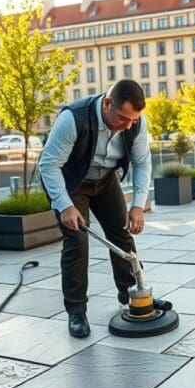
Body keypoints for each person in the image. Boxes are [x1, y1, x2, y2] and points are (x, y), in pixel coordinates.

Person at [39, 79, 163, 338]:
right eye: (123, 118)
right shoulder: (73, 119)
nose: (129, 125)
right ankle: (76, 312)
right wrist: (65, 206)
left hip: (105, 179)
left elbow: (142, 163)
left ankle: (132, 295)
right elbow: (48, 165)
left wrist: (138, 206)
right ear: (107, 103)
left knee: (122, 233)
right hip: (72, 182)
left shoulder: (135, 122)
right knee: (77, 242)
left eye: (133, 119)